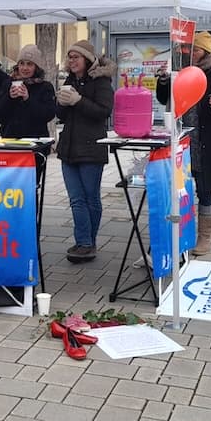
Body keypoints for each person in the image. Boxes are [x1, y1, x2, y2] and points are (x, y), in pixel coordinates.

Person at [156, 30, 211, 255]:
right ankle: (180, 232)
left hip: (207, 140)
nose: (191, 53)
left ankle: (205, 236)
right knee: (179, 189)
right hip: (181, 137)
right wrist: (164, 82)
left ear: (206, 51)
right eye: (189, 49)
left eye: (196, 50)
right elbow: (165, 99)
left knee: (204, 189)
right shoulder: (179, 68)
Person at [56, 40, 115, 264]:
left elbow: (104, 111)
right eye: (69, 57)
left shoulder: (100, 82)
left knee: (90, 198)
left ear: (87, 59)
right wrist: (61, 102)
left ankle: (87, 242)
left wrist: (79, 101)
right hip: (68, 149)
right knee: (76, 199)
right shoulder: (70, 80)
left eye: (76, 57)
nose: (71, 61)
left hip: (91, 148)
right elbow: (61, 115)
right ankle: (84, 243)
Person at [0, 44, 56, 138]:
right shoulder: (8, 83)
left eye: (29, 64)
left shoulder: (45, 87)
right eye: (22, 63)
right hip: (10, 140)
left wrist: (28, 99)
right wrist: (9, 98)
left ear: (36, 67)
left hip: (35, 141)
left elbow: (48, 114)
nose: (25, 68)